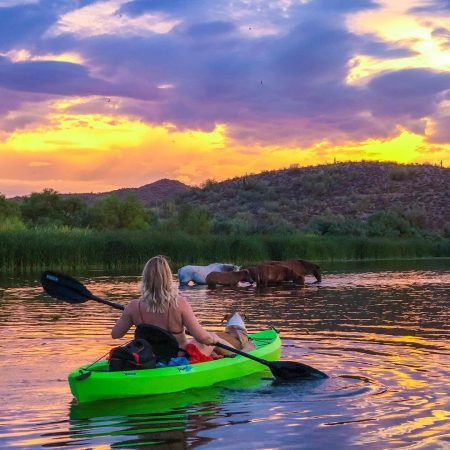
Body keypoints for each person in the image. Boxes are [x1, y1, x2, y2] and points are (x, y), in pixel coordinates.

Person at [111, 255, 234, 357]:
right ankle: (240, 357)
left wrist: (126, 316)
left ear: (145, 279)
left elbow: (115, 334)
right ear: (168, 278)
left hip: (149, 357)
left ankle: (217, 356)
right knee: (211, 337)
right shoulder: (179, 303)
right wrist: (214, 340)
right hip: (178, 358)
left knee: (205, 346)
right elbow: (202, 337)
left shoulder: (133, 306)